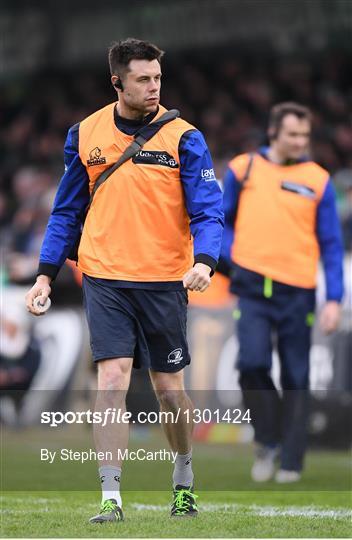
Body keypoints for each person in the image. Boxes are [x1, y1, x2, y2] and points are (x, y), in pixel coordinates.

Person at [25, 38, 224, 521]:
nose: (154, 87)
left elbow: (209, 210)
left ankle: (182, 477)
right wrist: (45, 275)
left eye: (157, 78)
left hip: (164, 279)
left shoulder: (185, 137)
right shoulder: (85, 132)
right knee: (111, 378)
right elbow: (66, 210)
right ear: (117, 82)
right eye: (143, 79)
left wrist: (205, 260)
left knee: (168, 389)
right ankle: (111, 500)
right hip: (104, 276)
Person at [220, 102, 344, 483]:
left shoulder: (319, 179)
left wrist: (334, 299)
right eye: (292, 134)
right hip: (252, 287)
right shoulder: (243, 169)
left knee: (296, 374)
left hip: (298, 291)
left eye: (305, 135)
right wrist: (234, 259)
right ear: (273, 132)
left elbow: (331, 243)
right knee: (251, 365)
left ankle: (291, 459)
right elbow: (219, 224)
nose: (299, 141)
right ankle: (267, 440)